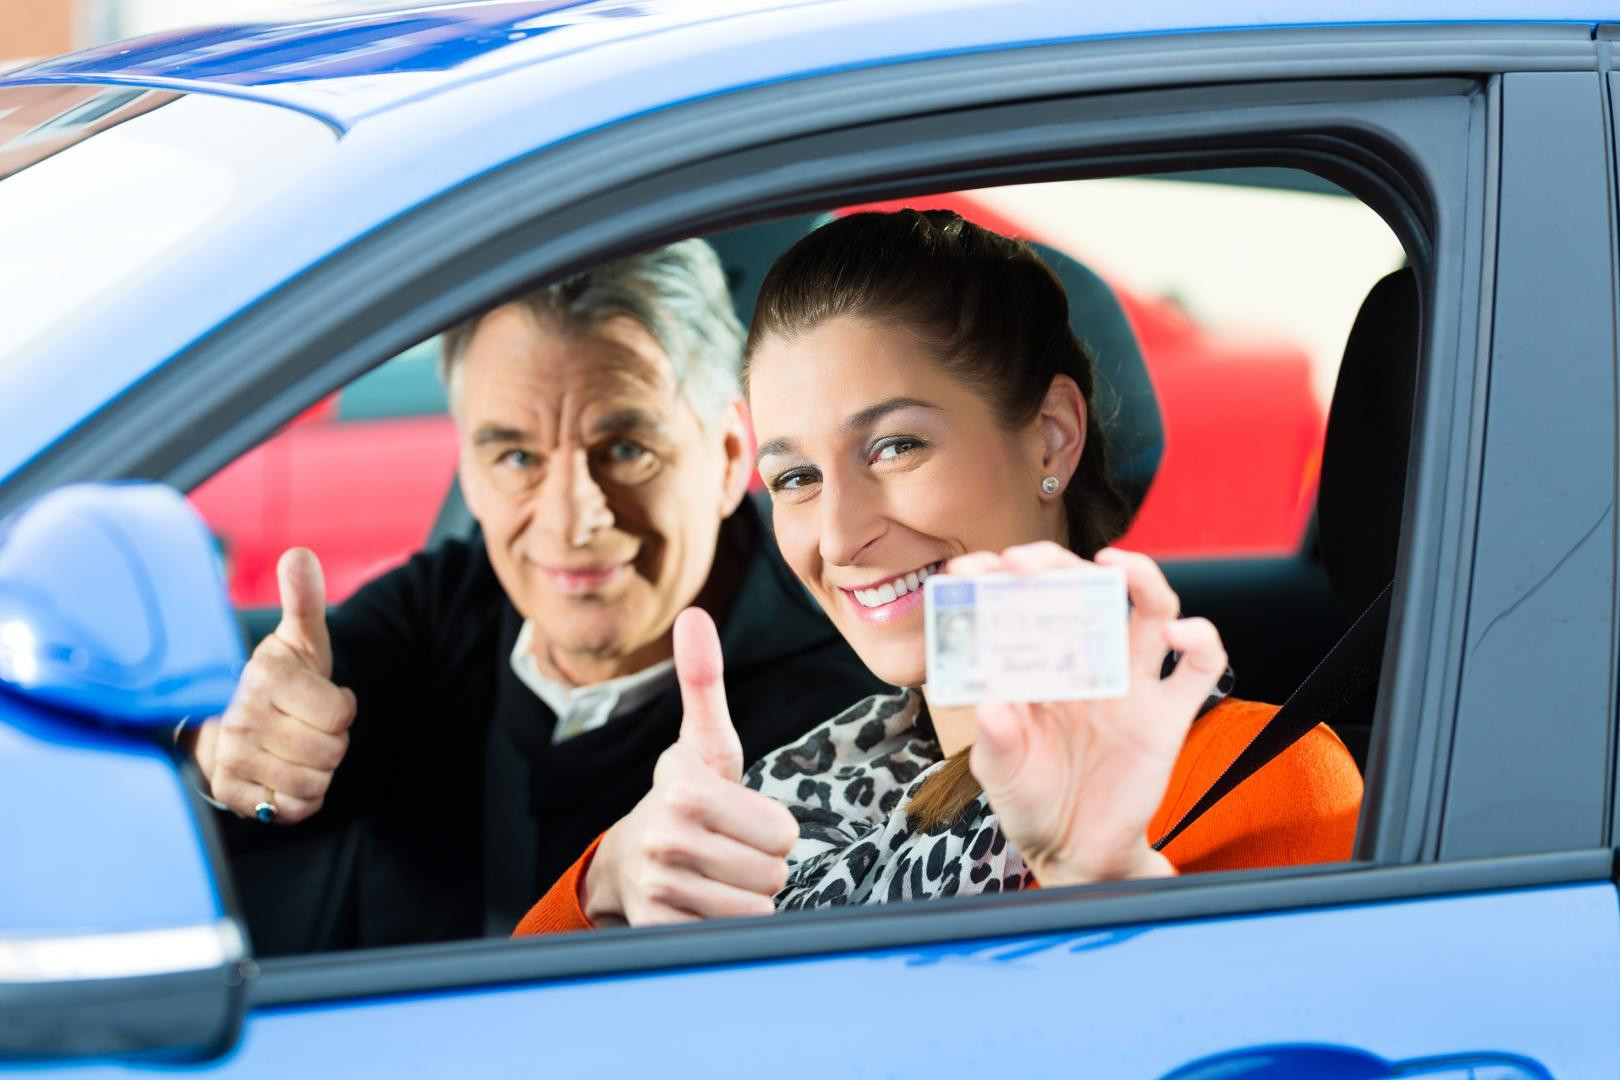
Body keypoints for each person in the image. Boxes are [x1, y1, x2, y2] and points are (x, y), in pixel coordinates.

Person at [513, 211, 1363, 933]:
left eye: (895, 446)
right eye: (796, 479)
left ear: (1051, 437)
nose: (839, 537)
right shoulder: (787, 796)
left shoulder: (1259, 783)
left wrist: (1096, 885)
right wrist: (610, 880)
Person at [182, 240, 887, 953]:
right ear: (471, 468)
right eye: (517, 457)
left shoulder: (854, 689)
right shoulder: (443, 609)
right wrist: (229, 752)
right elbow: (266, 758)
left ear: (731, 453)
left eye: (625, 450)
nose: (570, 518)